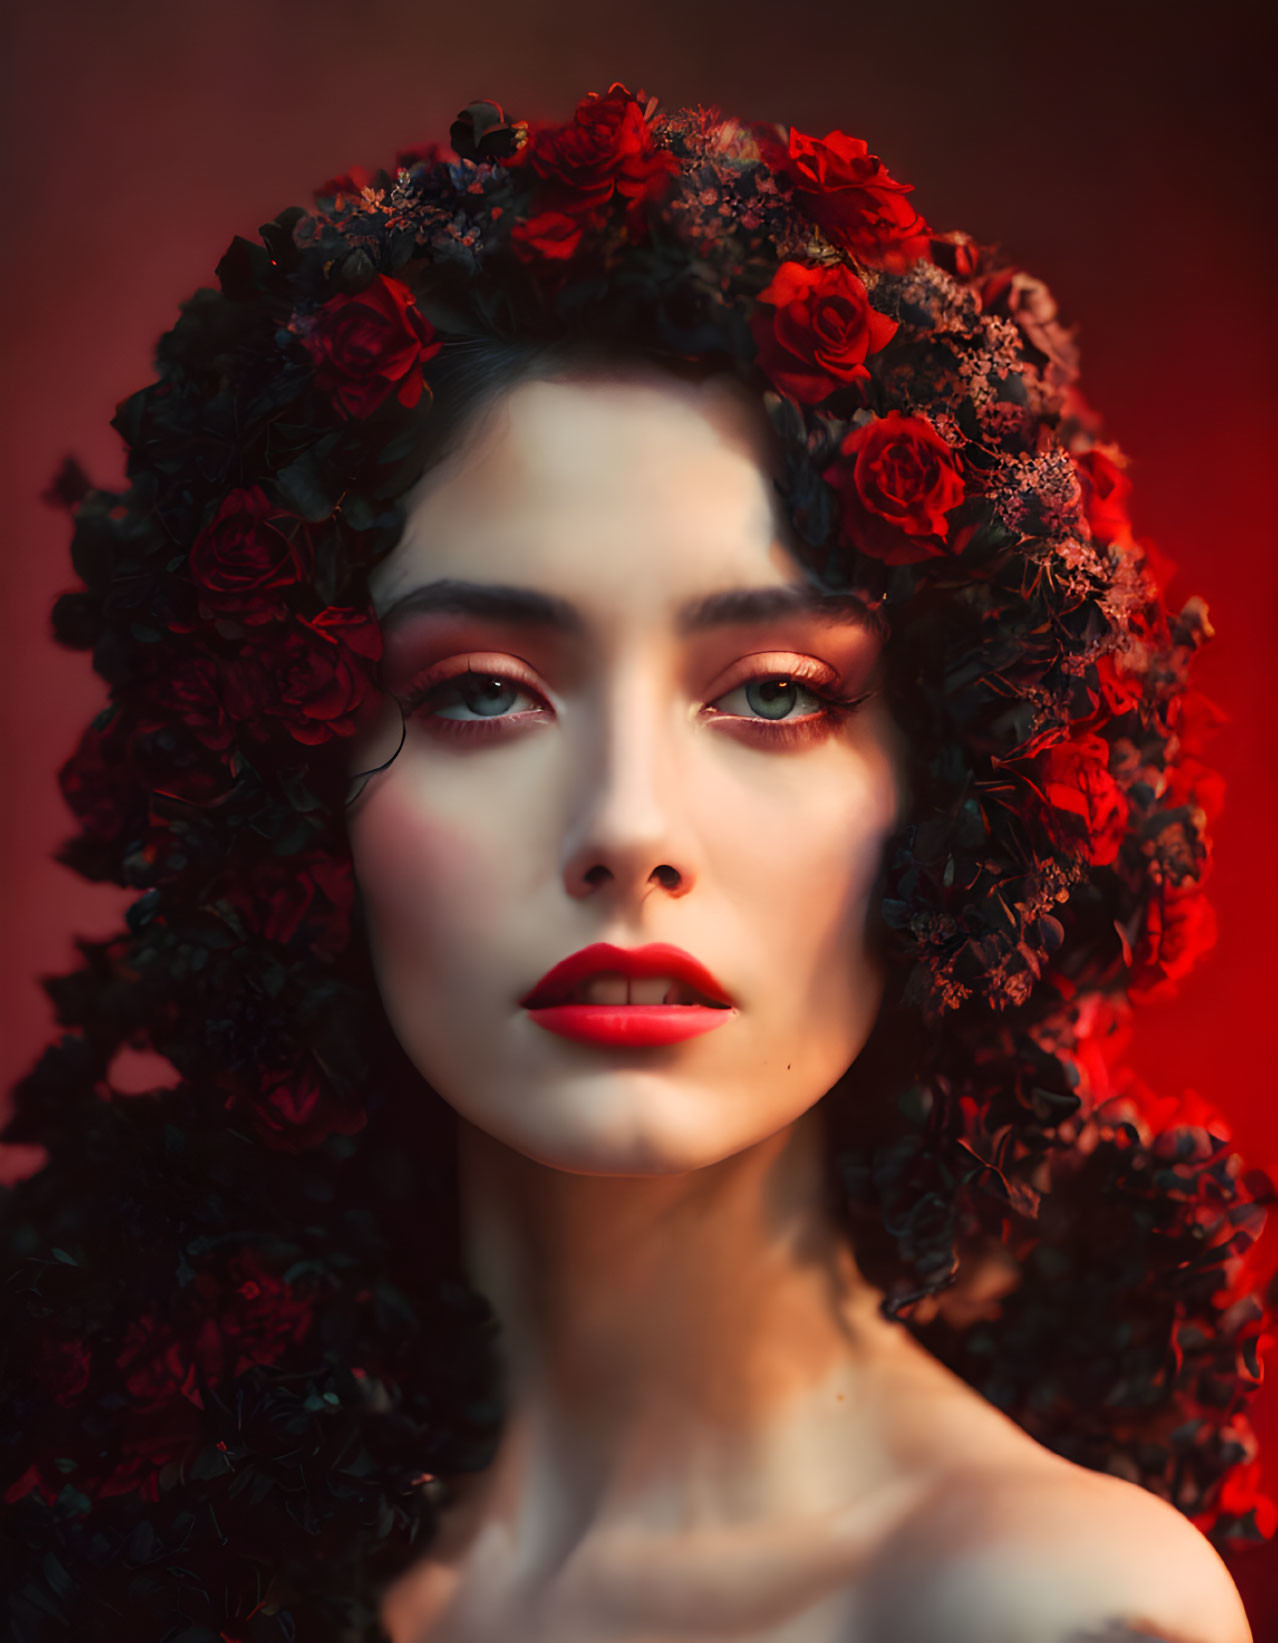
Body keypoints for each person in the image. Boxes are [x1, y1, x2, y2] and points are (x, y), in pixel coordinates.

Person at [0, 85, 1272, 1643]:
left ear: (951, 786)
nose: (626, 828)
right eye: (480, 692)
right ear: (288, 764)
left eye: (773, 696)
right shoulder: (117, 1522)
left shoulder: (1041, 1611)